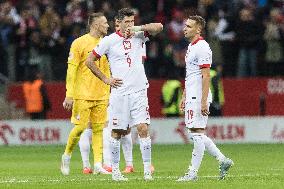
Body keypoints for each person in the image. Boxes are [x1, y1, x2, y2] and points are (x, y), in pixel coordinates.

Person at [86, 8, 163, 181]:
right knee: (117, 132)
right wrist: (106, 79)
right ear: (117, 23)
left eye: (132, 21)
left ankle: (146, 171)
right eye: (127, 22)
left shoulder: (139, 35)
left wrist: (137, 28)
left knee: (143, 128)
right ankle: (115, 171)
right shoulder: (109, 41)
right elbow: (89, 61)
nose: (130, 25)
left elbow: (159, 27)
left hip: (139, 91)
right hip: (120, 93)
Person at [177, 15, 233, 182]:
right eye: (185, 25)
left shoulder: (202, 47)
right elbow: (191, 75)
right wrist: (184, 95)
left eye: (188, 26)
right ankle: (223, 160)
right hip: (192, 95)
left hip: (198, 96)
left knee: (197, 133)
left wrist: (202, 101)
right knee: (196, 133)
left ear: (198, 29)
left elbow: (206, 76)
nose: (184, 28)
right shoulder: (190, 47)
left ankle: (192, 173)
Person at [60, 12, 111, 175]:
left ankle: (97, 164)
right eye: (105, 23)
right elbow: (71, 70)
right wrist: (69, 94)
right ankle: (66, 156)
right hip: (82, 94)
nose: (108, 25)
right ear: (95, 25)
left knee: (98, 129)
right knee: (80, 128)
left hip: (102, 93)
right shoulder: (79, 43)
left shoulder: (108, 42)